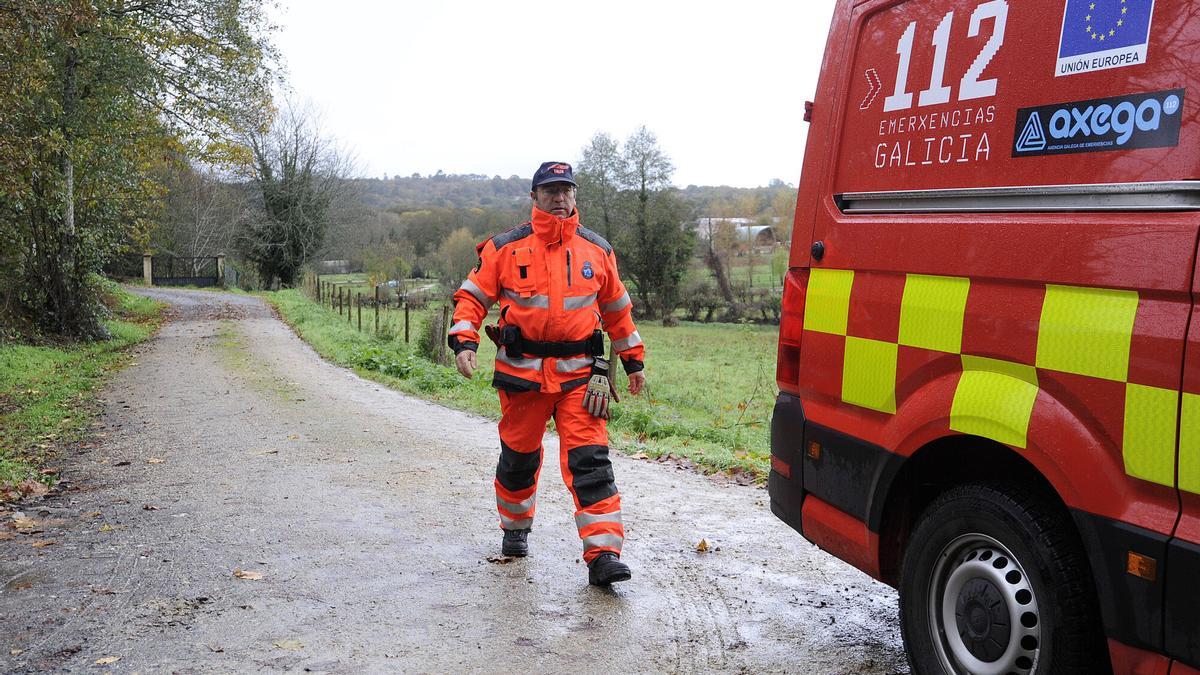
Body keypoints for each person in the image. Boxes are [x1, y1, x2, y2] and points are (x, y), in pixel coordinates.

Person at [448, 161, 646, 586]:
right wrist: (464, 341)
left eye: (566, 190)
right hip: (522, 378)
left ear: (575, 195)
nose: (559, 197)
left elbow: (617, 309)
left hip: (581, 378)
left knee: (591, 463)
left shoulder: (598, 250)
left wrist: (633, 359)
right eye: (550, 190)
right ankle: (515, 528)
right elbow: (471, 298)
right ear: (534, 197)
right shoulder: (504, 247)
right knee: (518, 460)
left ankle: (603, 554)